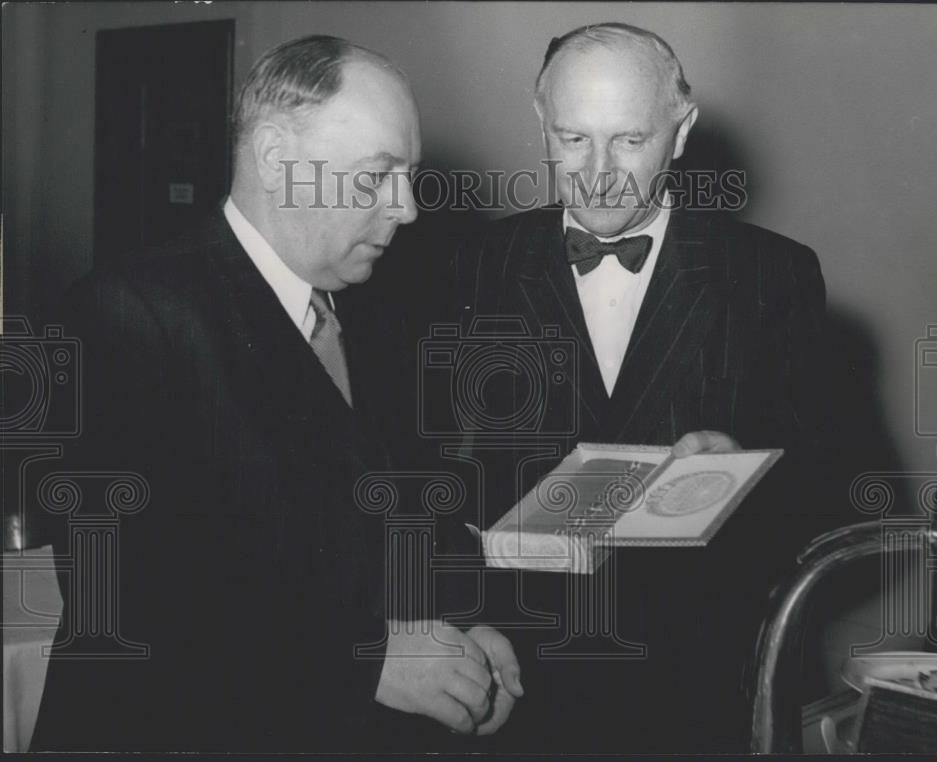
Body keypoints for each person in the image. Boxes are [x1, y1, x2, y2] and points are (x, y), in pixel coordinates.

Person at [31, 35, 521, 752]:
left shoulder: (376, 317)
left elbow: (408, 523)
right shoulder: (125, 315)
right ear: (274, 158)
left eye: (409, 176)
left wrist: (464, 629)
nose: (409, 209)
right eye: (376, 177)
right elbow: (131, 607)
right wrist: (367, 661)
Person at [443, 22, 831, 752]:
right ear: (540, 123)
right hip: (520, 666)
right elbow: (430, 464)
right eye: (573, 139)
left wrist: (741, 465)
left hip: (698, 671)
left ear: (681, 133)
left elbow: (821, 479)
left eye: (629, 139)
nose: (597, 173)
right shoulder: (474, 264)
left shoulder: (773, 275)